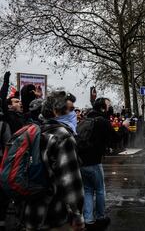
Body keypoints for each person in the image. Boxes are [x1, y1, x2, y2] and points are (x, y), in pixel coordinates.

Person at [22, 91, 84, 230]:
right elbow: (71, 180)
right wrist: (77, 214)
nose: (74, 114)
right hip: (54, 214)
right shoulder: (62, 136)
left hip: (31, 213)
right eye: (71, 110)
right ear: (56, 111)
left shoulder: (35, 131)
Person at [79, 97, 118, 230]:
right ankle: (101, 216)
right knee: (100, 190)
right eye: (108, 105)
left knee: (88, 190)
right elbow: (114, 138)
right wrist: (124, 128)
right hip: (94, 161)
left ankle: (88, 219)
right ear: (103, 107)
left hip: (82, 161)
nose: (110, 108)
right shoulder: (102, 121)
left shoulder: (85, 119)